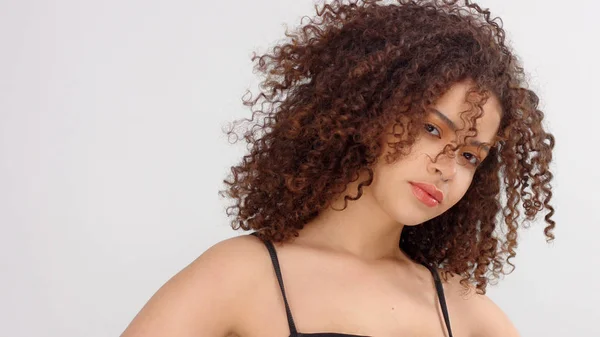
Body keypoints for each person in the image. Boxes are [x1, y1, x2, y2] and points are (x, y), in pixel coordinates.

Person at [121, 0, 556, 336]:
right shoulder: (241, 273)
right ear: (372, 111)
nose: (446, 167)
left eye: (469, 156)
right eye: (431, 128)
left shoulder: (462, 308)